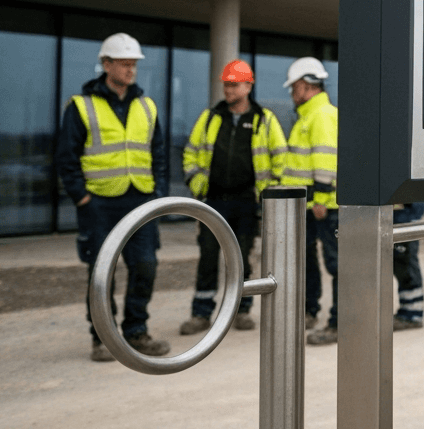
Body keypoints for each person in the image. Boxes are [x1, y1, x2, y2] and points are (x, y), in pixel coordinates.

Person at [56, 33, 172, 362]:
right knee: (100, 272)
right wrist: (82, 199)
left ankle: (136, 331)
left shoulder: (147, 106)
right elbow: (66, 158)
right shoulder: (81, 106)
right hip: (99, 204)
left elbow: (159, 156)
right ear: (106, 65)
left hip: (141, 202)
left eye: (134, 64)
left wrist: (159, 195)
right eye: (124, 64)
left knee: (146, 266)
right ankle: (103, 338)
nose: (131, 70)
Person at [178, 59, 288, 335]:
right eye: (226, 84)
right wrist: (196, 182)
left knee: (240, 257)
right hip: (213, 201)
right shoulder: (211, 117)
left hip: (245, 201)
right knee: (208, 256)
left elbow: (281, 160)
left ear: (248, 86)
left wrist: (267, 193)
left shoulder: (264, 120)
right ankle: (201, 313)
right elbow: (190, 152)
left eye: (233, 84)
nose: (227, 89)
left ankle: (241, 310)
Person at [281, 57, 340, 346]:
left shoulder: (322, 115)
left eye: (294, 88)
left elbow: (326, 160)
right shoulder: (308, 115)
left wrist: (320, 198)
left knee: (336, 263)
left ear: (305, 85)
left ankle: (339, 323)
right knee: (307, 260)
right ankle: (309, 311)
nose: (292, 94)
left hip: (322, 206)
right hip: (308, 205)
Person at [392, 202, 424, 331]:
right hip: (399, 214)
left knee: (406, 264)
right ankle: (408, 310)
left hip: (404, 216)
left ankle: (413, 314)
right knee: (400, 264)